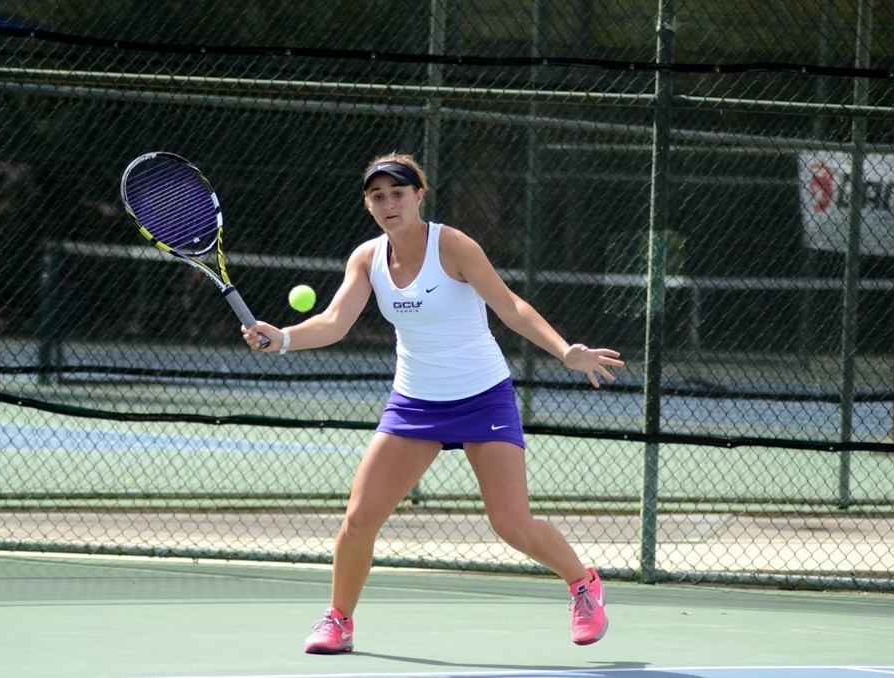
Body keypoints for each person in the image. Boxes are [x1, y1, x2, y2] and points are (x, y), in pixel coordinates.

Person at [241, 152, 624, 654]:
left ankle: (582, 585)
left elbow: (509, 305)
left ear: (419, 196)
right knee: (359, 519)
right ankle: (338, 620)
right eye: (377, 196)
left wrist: (564, 350)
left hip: (483, 397)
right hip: (415, 403)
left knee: (511, 524)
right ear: (368, 204)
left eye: (398, 193)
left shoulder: (453, 246)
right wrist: (284, 337)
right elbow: (335, 322)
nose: (388, 203)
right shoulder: (367, 259)